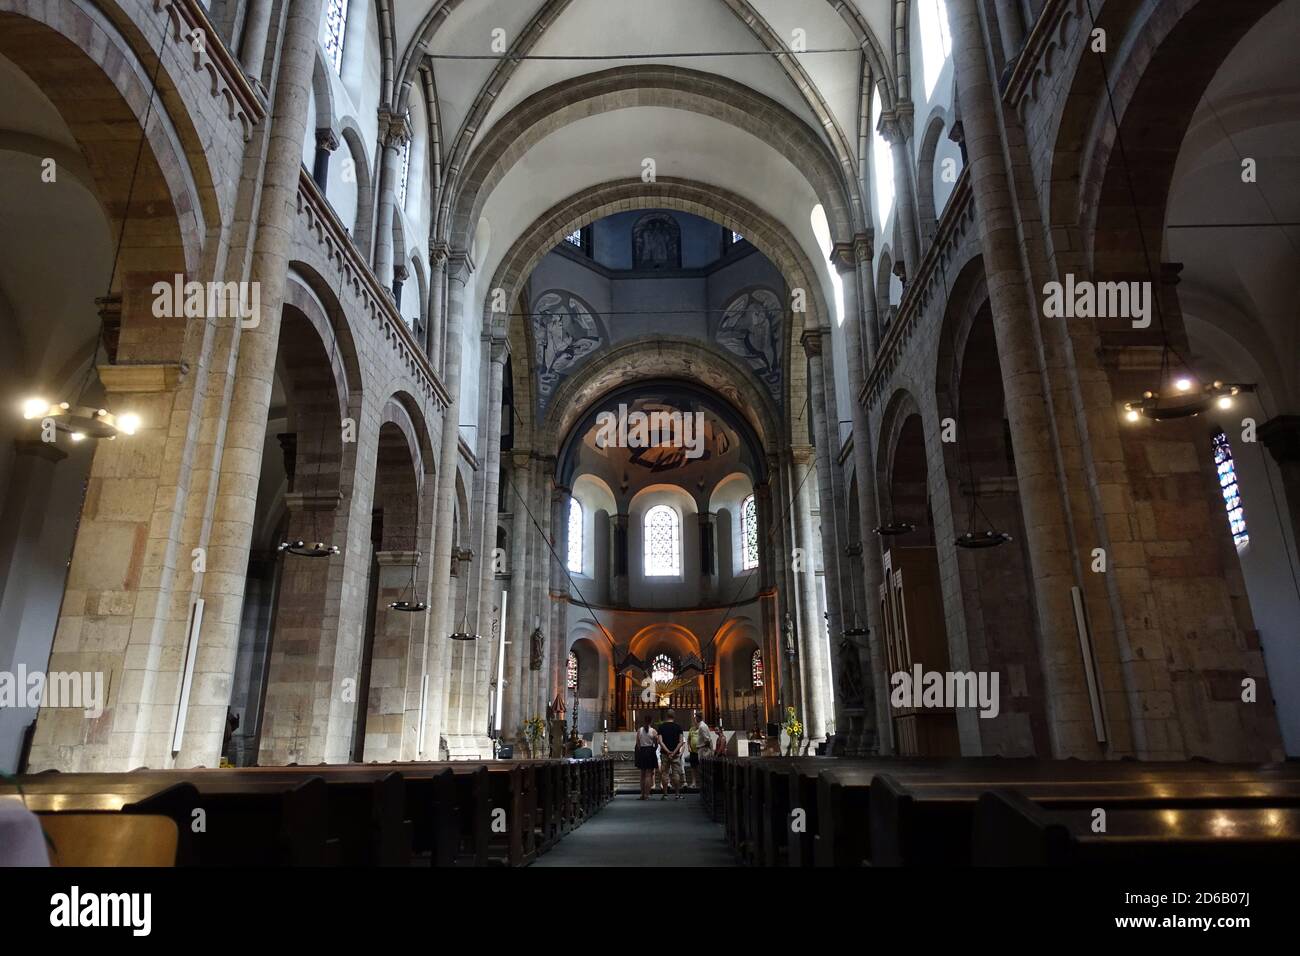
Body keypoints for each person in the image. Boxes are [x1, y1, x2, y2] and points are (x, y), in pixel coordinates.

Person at [657, 709, 685, 800]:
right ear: (674, 716)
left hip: (665, 754)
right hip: (675, 754)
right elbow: (681, 742)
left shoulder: (661, 727)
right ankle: (677, 794)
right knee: (676, 774)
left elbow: (660, 741)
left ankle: (665, 795)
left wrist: (668, 751)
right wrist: (673, 752)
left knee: (665, 774)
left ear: (666, 716)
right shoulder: (678, 727)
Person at [634, 714, 659, 800]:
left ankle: (642, 794)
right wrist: (653, 749)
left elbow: (637, 743)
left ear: (644, 721)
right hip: (650, 752)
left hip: (642, 752)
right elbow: (657, 742)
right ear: (651, 721)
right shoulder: (653, 731)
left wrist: (641, 751)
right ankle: (647, 795)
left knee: (642, 774)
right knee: (649, 774)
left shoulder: (639, 730)